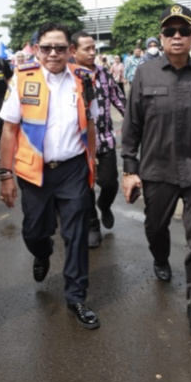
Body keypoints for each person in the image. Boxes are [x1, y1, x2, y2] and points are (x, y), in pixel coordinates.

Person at [121, 4, 191, 339]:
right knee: (155, 227)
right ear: (161, 37)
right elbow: (132, 125)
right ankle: (161, 258)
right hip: (156, 170)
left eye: (183, 31)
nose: (176, 37)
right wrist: (129, 169)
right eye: (170, 32)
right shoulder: (145, 74)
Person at [0, 22, 100, 330]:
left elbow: (91, 126)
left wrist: (91, 163)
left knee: (77, 235)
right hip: (34, 172)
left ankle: (76, 296)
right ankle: (41, 253)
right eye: (46, 48)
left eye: (60, 48)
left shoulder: (84, 80)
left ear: (71, 50)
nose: (53, 54)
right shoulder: (22, 79)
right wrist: (5, 173)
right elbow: (9, 130)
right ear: (36, 50)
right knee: (35, 231)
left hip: (73, 169)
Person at [72, 31, 126, 248]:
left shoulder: (104, 73)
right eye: (87, 49)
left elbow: (120, 100)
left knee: (110, 183)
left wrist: (134, 120)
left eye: (94, 48)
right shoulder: (67, 76)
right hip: (78, 145)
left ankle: (105, 204)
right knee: (84, 188)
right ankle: (93, 225)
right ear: (73, 51)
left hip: (105, 140)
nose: (93, 52)